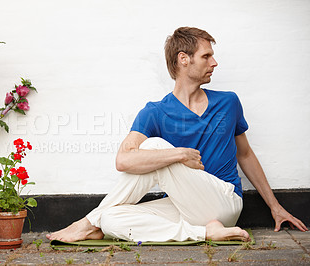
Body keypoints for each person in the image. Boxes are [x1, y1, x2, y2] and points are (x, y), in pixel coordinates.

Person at [46, 27, 308, 243]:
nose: (214, 63)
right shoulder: (155, 112)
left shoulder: (228, 102)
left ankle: (85, 223)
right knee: (111, 219)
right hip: (186, 207)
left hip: (224, 201)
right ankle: (205, 233)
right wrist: (180, 154)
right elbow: (123, 161)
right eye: (206, 56)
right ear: (184, 59)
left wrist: (275, 207)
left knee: (152, 147)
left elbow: (245, 154)